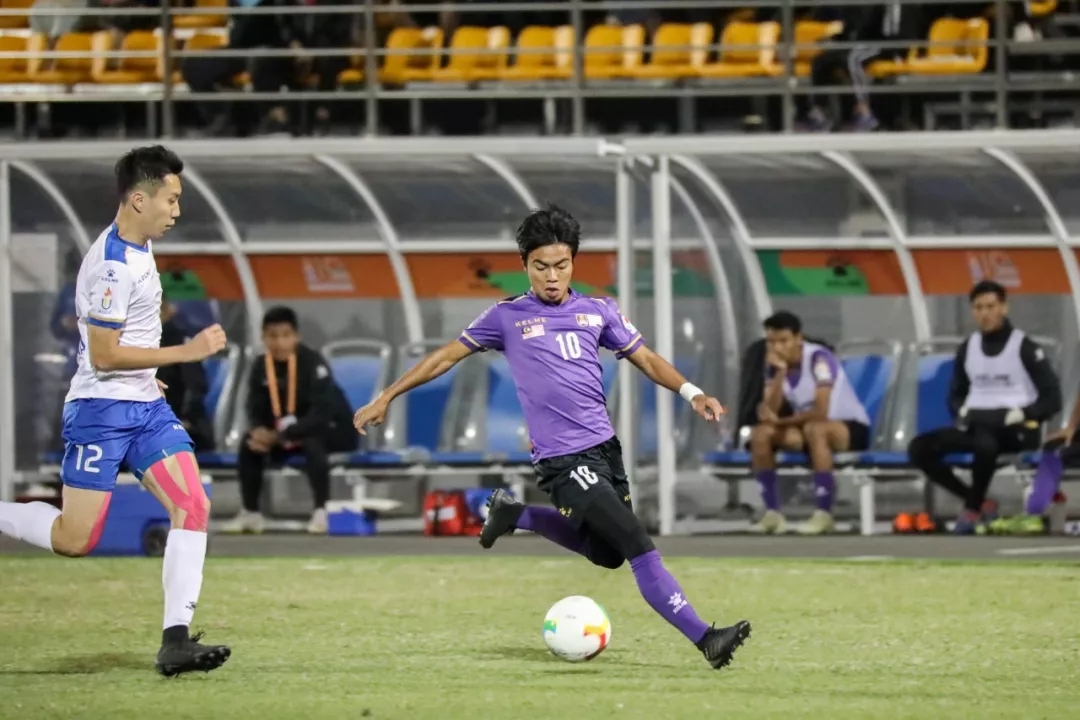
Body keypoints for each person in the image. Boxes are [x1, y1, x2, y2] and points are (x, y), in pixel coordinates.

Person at [353, 204, 752, 671]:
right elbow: (445, 357)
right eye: (541, 266)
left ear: (573, 263)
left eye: (561, 265)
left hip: (605, 452)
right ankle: (706, 638)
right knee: (636, 542)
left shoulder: (598, 311)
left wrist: (693, 392)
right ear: (525, 264)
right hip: (563, 460)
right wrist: (387, 396)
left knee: (608, 554)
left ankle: (514, 513)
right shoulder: (506, 317)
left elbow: (645, 358)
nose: (552, 276)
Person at [0, 146, 231, 676]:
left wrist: (148, 374)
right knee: (75, 540)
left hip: (145, 407)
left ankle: (176, 641)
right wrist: (185, 352)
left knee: (192, 504)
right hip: (101, 412)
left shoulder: (140, 249)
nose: (176, 211)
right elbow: (103, 356)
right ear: (139, 199)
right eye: (171, 200)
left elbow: (123, 342)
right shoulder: (112, 265)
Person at [908, 281, 1062, 535]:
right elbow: (956, 394)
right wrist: (961, 411)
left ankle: (971, 509)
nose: (985, 313)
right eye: (978, 308)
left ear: (1003, 308)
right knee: (920, 447)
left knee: (986, 439)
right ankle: (978, 501)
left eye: (990, 306)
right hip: (978, 424)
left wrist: (1023, 413)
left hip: (1016, 428)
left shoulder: (1024, 347)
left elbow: (1052, 398)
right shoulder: (968, 348)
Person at [222, 306, 356, 535]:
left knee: (312, 440)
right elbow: (253, 406)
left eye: (285, 336)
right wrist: (259, 430)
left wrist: (282, 435)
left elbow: (321, 414)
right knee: (249, 443)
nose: (279, 343)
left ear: (296, 336)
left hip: (330, 431)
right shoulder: (260, 365)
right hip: (284, 435)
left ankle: (321, 511)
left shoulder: (313, 363)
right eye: (272, 336)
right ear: (263, 338)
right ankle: (251, 512)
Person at [749, 311, 872, 535]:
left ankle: (824, 514)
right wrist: (780, 373)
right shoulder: (774, 366)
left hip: (847, 427)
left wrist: (781, 421)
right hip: (807, 428)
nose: (777, 348)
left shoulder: (819, 359)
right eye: (772, 342)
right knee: (761, 434)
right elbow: (769, 410)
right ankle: (772, 514)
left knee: (816, 429)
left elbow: (821, 411)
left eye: (783, 341)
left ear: (798, 338)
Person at [156, 289, 214, 452]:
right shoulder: (136, 347)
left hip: (182, 426)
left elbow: (195, 387)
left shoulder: (179, 341)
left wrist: (183, 419)